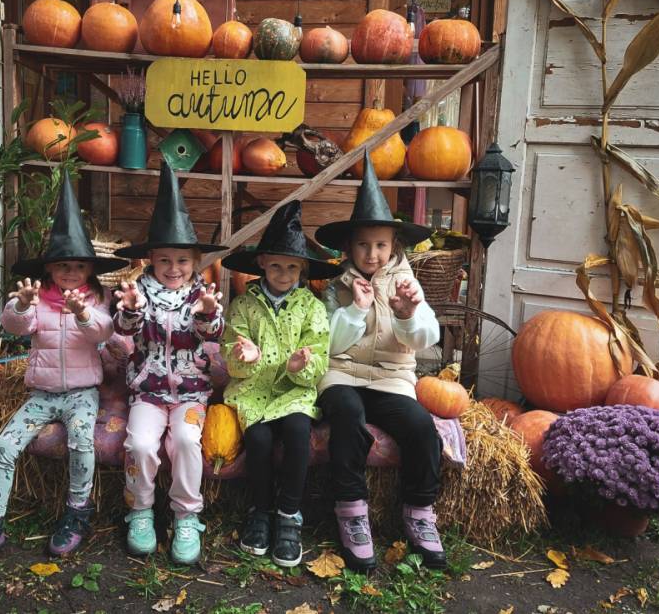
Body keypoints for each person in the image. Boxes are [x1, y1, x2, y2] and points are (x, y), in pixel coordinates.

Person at [0, 175, 128, 569]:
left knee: (82, 442)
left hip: (81, 393)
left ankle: (77, 511)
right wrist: (22, 305)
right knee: (4, 446)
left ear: (90, 270)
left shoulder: (97, 299)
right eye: (63, 265)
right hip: (41, 395)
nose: (70, 272)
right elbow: (15, 326)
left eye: (78, 266)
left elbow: (103, 330)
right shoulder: (38, 300)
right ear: (49, 268)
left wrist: (81, 313)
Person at [315, 153, 444, 570]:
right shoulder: (337, 286)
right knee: (347, 416)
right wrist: (354, 310)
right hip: (342, 375)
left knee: (421, 428)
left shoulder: (408, 285)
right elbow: (327, 344)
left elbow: (426, 338)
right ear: (349, 247)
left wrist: (407, 315)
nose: (372, 254)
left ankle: (419, 511)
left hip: (391, 379)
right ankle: (352, 511)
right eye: (363, 245)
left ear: (394, 246)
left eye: (381, 245)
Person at [113, 161, 227, 565]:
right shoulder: (138, 291)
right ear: (150, 260)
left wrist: (207, 315)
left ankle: (186, 515)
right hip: (148, 391)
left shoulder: (202, 294)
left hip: (191, 393)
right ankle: (140, 510)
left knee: (186, 442)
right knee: (141, 444)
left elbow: (212, 334)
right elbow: (124, 329)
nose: (173, 269)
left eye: (182, 260)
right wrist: (131, 310)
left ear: (195, 261)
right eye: (164, 261)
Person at [221, 201, 338, 567]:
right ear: (261, 263)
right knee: (257, 439)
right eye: (276, 265)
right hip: (253, 390)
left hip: (293, 392)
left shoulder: (311, 307)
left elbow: (319, 356)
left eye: (291, 267)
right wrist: (244, 359)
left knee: (298, 431)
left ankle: (289, 513)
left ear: (302, 268)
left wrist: (301, 366)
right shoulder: (244, 305)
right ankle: (260, 509)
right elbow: (230, 349)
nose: (283, 274)